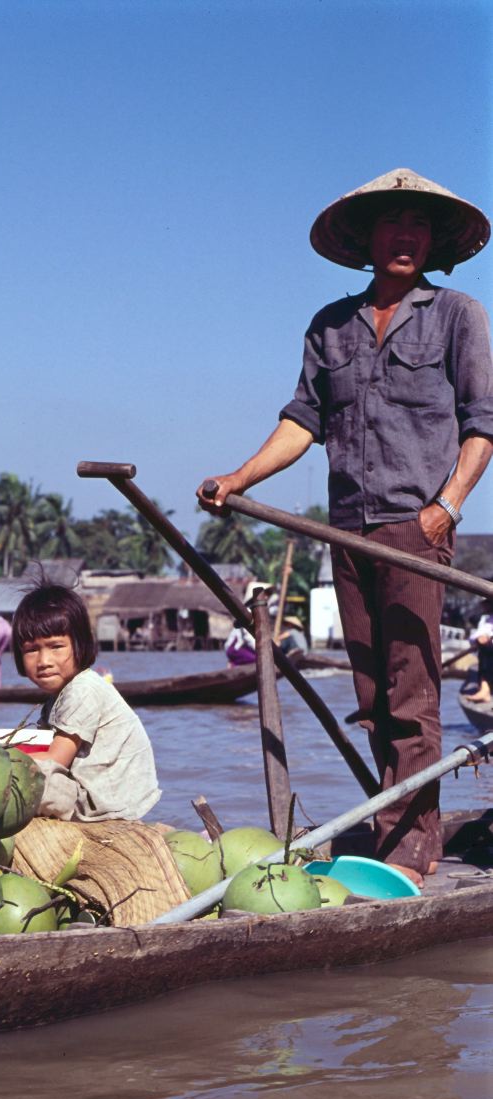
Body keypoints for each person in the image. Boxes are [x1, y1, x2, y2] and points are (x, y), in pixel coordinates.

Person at [197, 168, 493, 886]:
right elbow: (302, 422)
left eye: (417, 225)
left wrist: (446, 507)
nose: (404, 236)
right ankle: (395, 823)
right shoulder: (330, 325)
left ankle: (413, 845)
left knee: (412, 689)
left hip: (415, 529)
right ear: (366, 239)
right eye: (391, 223)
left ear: (433, 241)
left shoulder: (457, 314)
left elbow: (482, 426)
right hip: (346, 532)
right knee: (370, 696)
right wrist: (239, 478)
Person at [0, 584, 161, 820]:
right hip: (92, 789)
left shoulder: (83, 690)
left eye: (56, 646)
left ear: (80, 644)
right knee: (13, 765)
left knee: (23, 777)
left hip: (104, 800)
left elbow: (56, 759)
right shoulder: (58, 697)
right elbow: (42, 748)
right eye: (31, 650)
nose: (44, 661)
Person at [464, 596, 493, 703]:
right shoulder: (484, 618)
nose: (484, 606)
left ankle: (485, 690)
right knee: (484, 651)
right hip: (486, 651)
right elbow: (477, 635)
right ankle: (484, 689)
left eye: (488, 602)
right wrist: (480, 639)